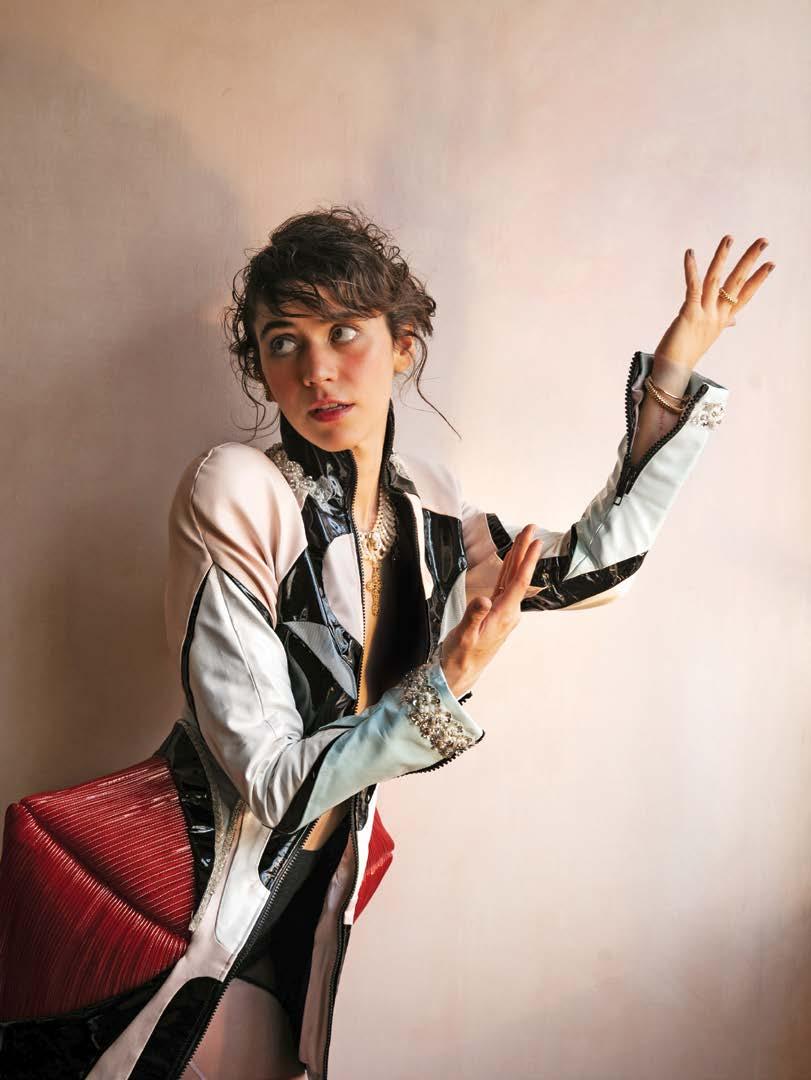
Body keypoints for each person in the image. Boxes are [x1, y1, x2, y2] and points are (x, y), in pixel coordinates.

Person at [0, 205, 772, 1080]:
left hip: (309, 904)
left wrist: (671, 377)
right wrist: (445, 682)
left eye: (343, 332)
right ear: (260, 368)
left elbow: (593, 569)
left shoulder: (428, 508)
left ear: (402, 345)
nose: (317, 370)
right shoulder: (239, 492)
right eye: (283, 343)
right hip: (181, 902)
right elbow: (271, 783)